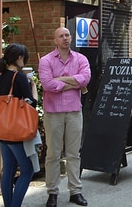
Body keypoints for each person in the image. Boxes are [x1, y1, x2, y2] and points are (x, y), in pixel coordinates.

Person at [0, 43, 38, 207]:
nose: (24, 61)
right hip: (16, 132)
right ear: (19, 58)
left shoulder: (2, 76)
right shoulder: (19, 77)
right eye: (24, 58)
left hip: (2, 131)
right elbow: (32, 103)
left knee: (8, 171)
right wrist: (33, 86)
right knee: (27, 170)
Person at [39, 27, 91, 207]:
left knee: (73, 154)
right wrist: (72, 83)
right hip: (53, 112)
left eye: (67, 35)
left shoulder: (80, 59)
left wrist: (60, 80)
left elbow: (85, 79)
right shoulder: (45, 60)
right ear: (55, 40)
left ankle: (75, 191)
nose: (65, 38)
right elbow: (47, 84)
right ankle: (52, 192)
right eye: (61, 36)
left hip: (74, 111)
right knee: (53, 154)